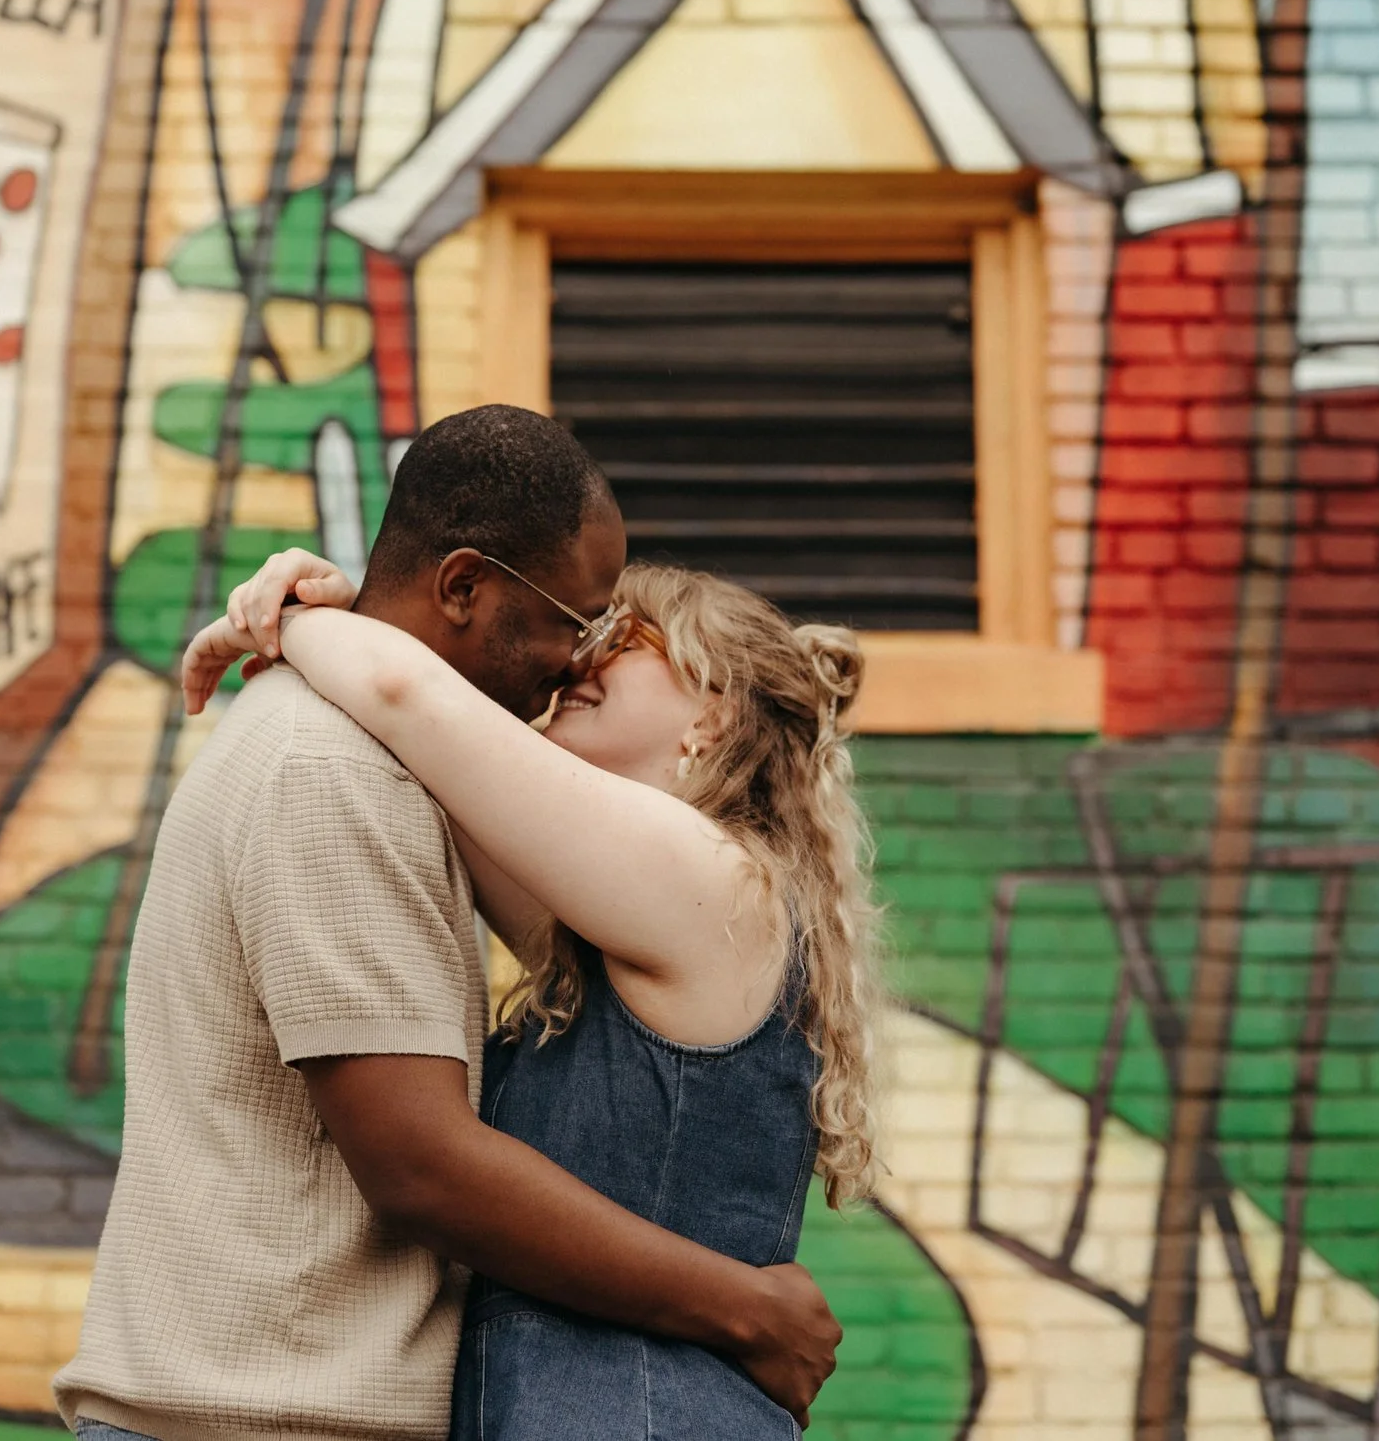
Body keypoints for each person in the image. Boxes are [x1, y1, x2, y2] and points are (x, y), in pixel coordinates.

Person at [52, 405, 841, 1441]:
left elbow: (408, 692)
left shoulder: (699, 878)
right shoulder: (335, 767)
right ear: (465, 586)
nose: (577, 658)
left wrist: (301, 617)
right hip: (266, 1417)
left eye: (618, 634)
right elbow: (420, 1164)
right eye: (581, 620)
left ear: (714, 714)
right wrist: (744, 1306)